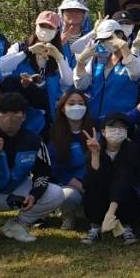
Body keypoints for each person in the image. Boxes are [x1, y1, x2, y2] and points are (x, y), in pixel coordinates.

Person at [0, 92, 65, 248]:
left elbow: (43, 173)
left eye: (15, 112)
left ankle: (18, 225)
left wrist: (34, 195)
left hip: (17, 191)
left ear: (24, 116)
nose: (10, 117)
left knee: (56, 193)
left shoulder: (34, 141)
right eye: (4, 112)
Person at [0, 11, 74, 130]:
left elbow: (68, 82)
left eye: (50, 27)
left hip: (46, 113)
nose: (45, 30)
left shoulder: (59, 55)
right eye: (42, 25)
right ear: (36, 26)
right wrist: (28, 51)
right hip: (17, 112)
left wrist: (59, 57)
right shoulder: (19, 47)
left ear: (56, 31)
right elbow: (3, 66)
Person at [79, 113, 140, 245]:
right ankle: (95, 227)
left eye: (122, 127)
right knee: (93, 190)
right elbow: (92, 178)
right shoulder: (95, 147)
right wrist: (95, 154)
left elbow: (124, 178)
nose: (117, 131)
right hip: (102, 193)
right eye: (113, 127)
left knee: (128, 192)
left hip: (123, 196)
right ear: (103, 131)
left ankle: (126, 227)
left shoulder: (131, 149)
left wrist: (111, 212)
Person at [73, 19, 140, 121]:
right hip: (93, 121)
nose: (106, 42)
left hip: (120, 123)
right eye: (102, 40)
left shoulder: (136, 59)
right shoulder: (96, 59)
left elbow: (136, 74)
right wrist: (80, 63)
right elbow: (81, 85)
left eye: (109, 38)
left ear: (120, 35)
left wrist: (124, 47)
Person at [47, 90, 94, 231]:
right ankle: (68, 214)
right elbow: (58, 170)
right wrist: (82, 187)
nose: (77, 107)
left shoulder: (94, 129)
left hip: (93, 180)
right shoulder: (55, 133)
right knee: (69, 196)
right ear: (63, 108)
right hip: (70, 184)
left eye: (81, 103)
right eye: (72, 103)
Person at [57, 0, 93, 65]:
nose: (74, 13)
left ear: (84, 14)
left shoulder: (92, 39)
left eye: (78, 10)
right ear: (62, 14)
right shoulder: (53, 37)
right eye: (69, 10)